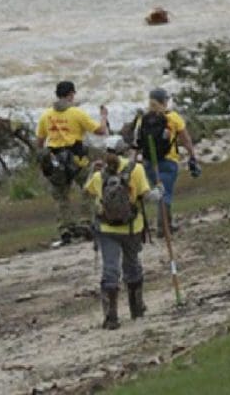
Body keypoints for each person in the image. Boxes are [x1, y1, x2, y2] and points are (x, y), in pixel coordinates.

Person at [84, 136, 153, 329]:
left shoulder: (100, 176)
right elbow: (146, 196)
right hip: (132, 227)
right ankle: (136, 309)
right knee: (132, 265)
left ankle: (111, 317)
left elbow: (88, 191)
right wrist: (160, 193)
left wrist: (92, 170)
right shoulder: (136, 170)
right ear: (124, 151)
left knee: (110, 268)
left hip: (106, 229)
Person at [36, 80, 109, 245]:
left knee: (62, 197)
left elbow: (40, 141)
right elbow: (100, 131)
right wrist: (104, 117)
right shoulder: (77, 113)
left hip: (56, 162)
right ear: (70, 94)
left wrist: (43, 161)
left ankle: (65, 229)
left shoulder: (46, 115)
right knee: (88, 188)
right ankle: (85, 222)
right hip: (77, 160)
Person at [133, 88, 200, 237]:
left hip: (149, 163)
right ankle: (163, 227)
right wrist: (192, 156)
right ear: (164, 101)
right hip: (168, 161)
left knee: (159, 191)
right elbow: (186, 139)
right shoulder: (173, 117)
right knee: (165, 193)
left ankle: (166, 224)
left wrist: (134, 161)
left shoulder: (142, 119)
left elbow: (137, 142)